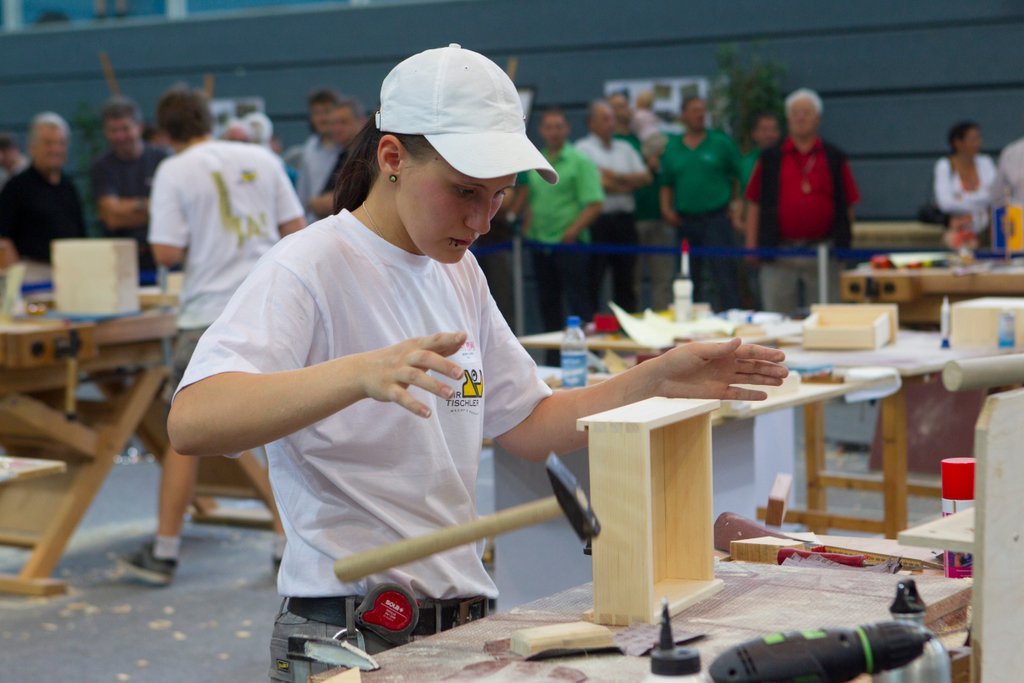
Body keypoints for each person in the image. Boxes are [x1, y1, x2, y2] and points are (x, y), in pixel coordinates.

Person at [158, 45, 787, 678]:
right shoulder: (308, 266)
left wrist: (653, 379)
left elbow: (530, 423)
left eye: (498, 197)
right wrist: (356, 374)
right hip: (349, 628)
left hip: (461, 619)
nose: (482, 220)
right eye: (464, 192)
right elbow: (192, 420)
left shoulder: (458, 272)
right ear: (392, 158)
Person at [119, 86, 305, 586]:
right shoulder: (262, 159)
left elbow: (165, 251)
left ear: (164, 133)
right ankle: (288, 544)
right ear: (208, 119)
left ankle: (164, 550)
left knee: (185, 434)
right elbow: (297, 230)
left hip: (209, 315)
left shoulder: (174, 170)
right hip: (271, 308)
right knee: (280, 429)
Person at [744, 88, 860, 315]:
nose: (800, 117)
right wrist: (752, 246)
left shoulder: (834, 157)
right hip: (778, 251)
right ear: (788, 119)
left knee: (827, 317)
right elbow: (754, 203)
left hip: (823, 253)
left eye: (806, 112)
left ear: (818, 118)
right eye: (795, 113)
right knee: (776, 317)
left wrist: (844, 248)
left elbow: (848, 206)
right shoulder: (770, 158)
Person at [516, 107, 603, 361]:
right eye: (548, 127)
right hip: (540, 245)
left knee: (580, 305)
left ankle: (590, 362)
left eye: (558, 126)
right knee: (548, 306)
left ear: (567, 129)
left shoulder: (580, 161)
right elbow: (532, 200)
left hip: (570, 245)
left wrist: (571, 233)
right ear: (541, 130)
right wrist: (528, 227)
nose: (553, 132)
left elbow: (595, 203)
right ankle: (552, 363)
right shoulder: (535, 160)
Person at [659, 95, 743, 312]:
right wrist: (666, 209)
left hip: (716, 218)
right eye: (695, 110)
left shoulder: (721, 142)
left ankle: (731, 317)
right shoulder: (673, 147)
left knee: (724, 274)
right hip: (686, 221)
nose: (700, 114)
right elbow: (666, 183)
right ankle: (690, 322)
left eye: (702, 110)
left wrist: (736, 206)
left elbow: (738, 176)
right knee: (688, 276)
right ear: (683, 116)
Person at [575, 99, 651, 314]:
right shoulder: (582, 149)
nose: (611, 123)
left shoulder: (625, 148)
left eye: (612, 119)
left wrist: (614, 175)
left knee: (626, 281)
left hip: (625, 221)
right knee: (594, 279)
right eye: (605, 119)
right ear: (591, 123)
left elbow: (645, 178)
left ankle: (627, 327)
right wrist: (628, 183)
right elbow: (599, 185)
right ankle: (592, 329)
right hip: (598, 222)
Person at [608, 92, 674, 311]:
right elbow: (612, 179)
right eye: (617, 106)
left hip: (657, 215)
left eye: (625, 105)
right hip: (630, 219)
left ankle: (664, 326)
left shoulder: (646, 137)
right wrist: (635, 179)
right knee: (630, 281)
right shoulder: (613, 144)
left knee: (663, 278)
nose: (624, 110)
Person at [90, 96, 170, 274]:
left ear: (139, 127)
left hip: (161, 257)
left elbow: (172, 213)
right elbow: (112, 218)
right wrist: (152, 207)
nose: (120, 136)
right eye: (113, 130)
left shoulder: (162, 159)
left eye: (125, 129)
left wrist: (125, 208)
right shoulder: (102, 166)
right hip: (121, 261)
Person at [0, 112, 86, 277]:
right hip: (32, 272)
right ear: (32, 147)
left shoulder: (69, 187)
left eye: (61, 143)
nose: (55, 149)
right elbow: (4, 238)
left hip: (70, 270)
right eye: (48, 143)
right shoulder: (16, 187)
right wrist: (16, 279)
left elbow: (80, 234)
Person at [933, 121, 996, 249]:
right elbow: (946, 203)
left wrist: (961, 199)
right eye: (973, 139)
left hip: (987, 226)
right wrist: (981, 202)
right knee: (958, 241)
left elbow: (995, 195)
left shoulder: (986, 162)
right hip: (959, 227)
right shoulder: (945, 165)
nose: (978, 143)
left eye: (979, 138)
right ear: (958, 142)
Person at [306, 97, 366, 219]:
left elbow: (344, 200)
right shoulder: (343, 154)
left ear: (361, 122)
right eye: (333, 124)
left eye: (343, 122)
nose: (337, 129)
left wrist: (315, 203)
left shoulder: (367, 155)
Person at [296, 88, 342, 220]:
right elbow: (302, 193)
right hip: (314, 222)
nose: (322, 118)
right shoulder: (309, 148)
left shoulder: (348, 147)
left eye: (327, 112)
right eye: (317, 113)